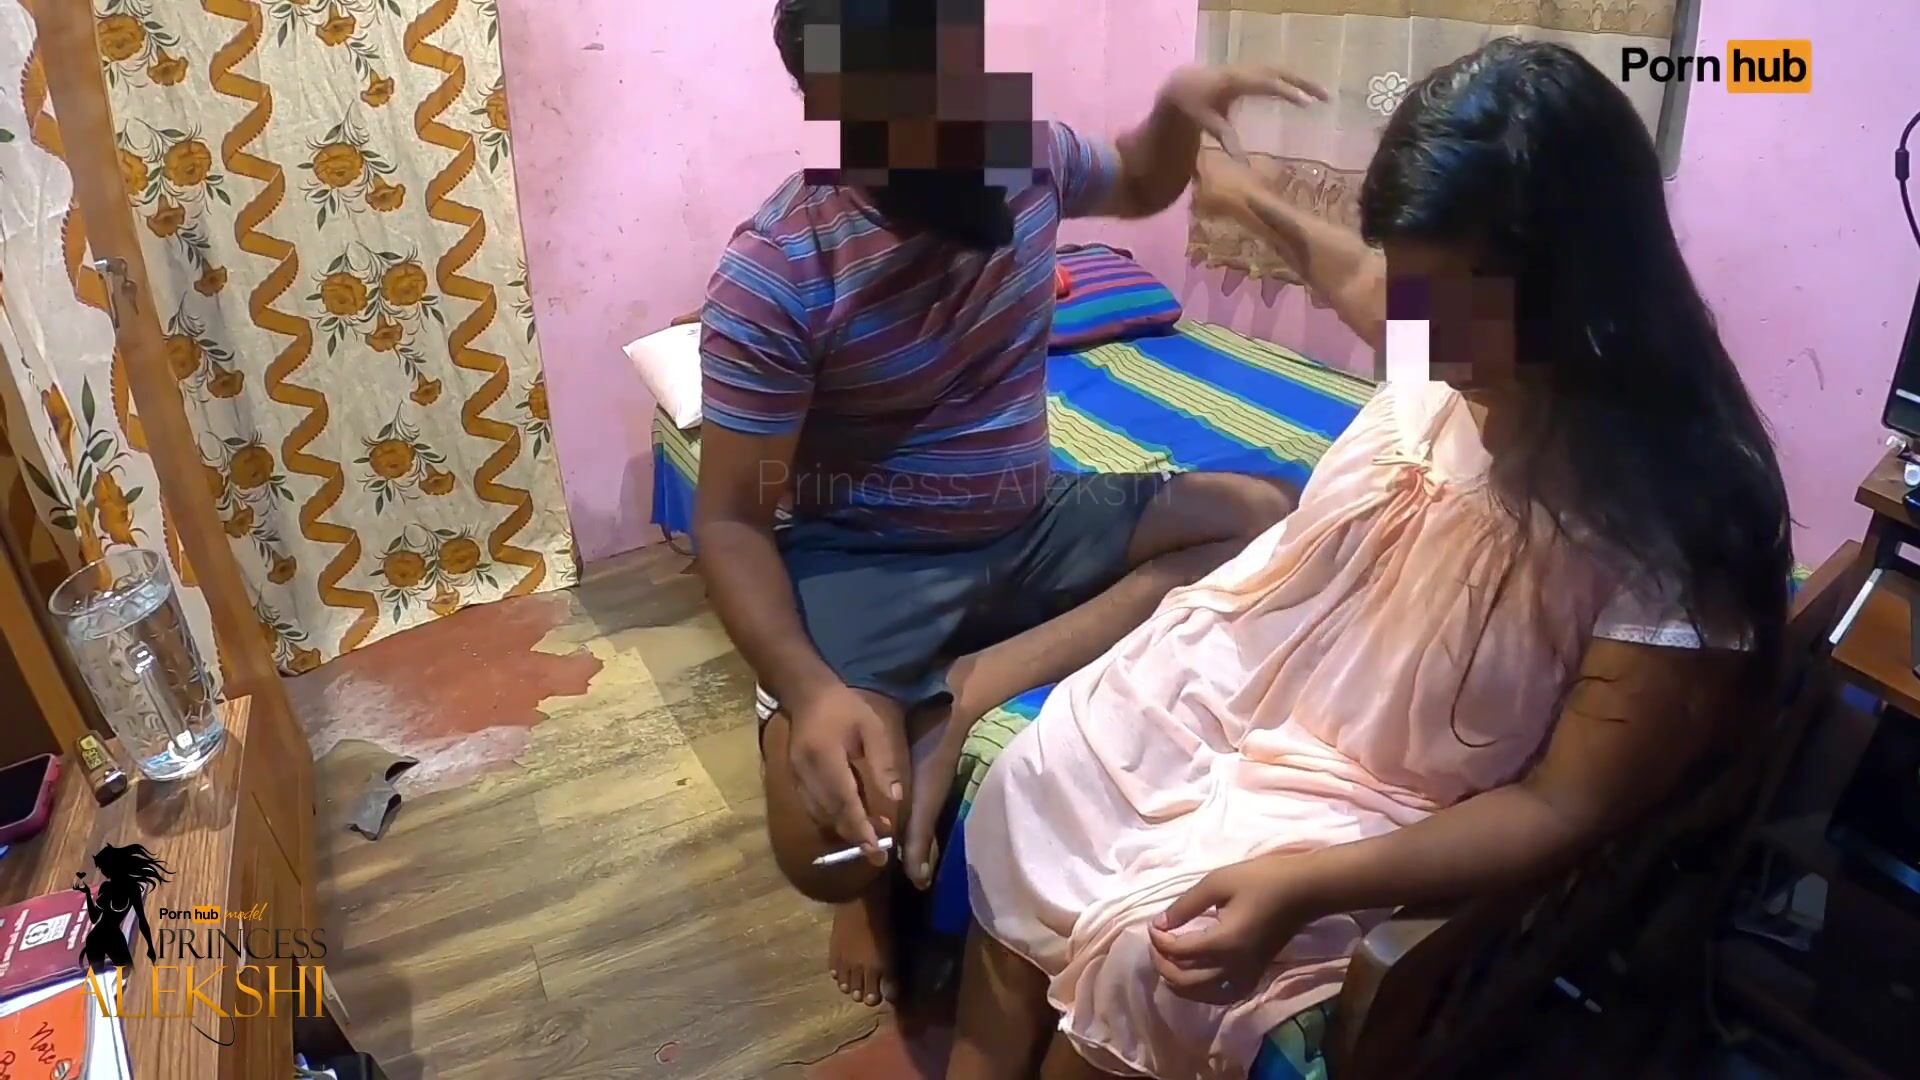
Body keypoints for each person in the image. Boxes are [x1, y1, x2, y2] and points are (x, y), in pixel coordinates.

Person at [948, 38, 1794, 1080]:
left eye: (1447, 297)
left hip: (1384, 783)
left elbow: (1564, 804)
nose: (1417, 326)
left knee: (1154, 952)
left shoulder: (1667, 529)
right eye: (1410, 281)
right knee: (1039, 774)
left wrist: (1306, 886)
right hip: (1265, 669)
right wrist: (1250, 201)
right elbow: (1355, 276)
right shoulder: (1462, 337)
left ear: (1575, 284)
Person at [696, 0, 1327, 1007]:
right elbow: (730, 519)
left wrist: (1174, 110)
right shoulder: (779, 272)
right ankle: (869, 851)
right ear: (832, 106)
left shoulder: (1021, 152)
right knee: (828, 853)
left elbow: (1141, 178)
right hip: (871, 560)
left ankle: (970, 686)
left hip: (1033, 518)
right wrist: (808, 690)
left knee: (1280, 516)